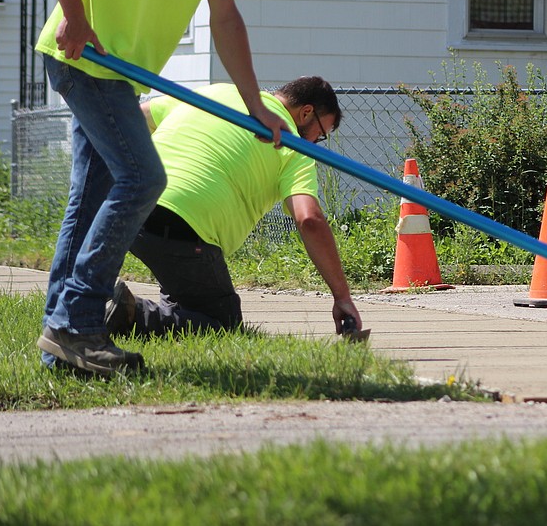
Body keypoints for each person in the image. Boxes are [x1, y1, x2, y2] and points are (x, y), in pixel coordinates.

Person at [33, 0, 292, 376]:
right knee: (144, 177)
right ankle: (77, 323)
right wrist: (74, 14)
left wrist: (258, 107)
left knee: (93, 196)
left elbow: (225, 20)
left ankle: (62, 333)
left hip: (122, 74)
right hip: (82, 58)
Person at [104, 78, 362, 338]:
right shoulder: (292, 143)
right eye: (320, 134)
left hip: (129, 205)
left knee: (186, 288)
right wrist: (342, 296)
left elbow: (137, 117)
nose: (315, 141)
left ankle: (98, 301)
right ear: (306, 112)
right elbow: (309, 219)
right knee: (222, 323)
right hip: (185, 230)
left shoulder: (218, 91)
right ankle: (126, 312)